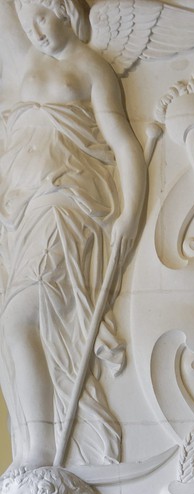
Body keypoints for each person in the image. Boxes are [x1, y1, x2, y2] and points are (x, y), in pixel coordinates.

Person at [0, 0, 147, 465]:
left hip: (67, 202)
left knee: (19, 319)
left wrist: (131, 214)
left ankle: (42, 450)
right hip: (18, 210)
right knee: (15, 326)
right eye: (29, 21)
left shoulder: (92, 69)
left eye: (43, 17)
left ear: (65, 11)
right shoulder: (26, 57)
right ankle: (31, 444)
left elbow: (124, 144)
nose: (35, 29)